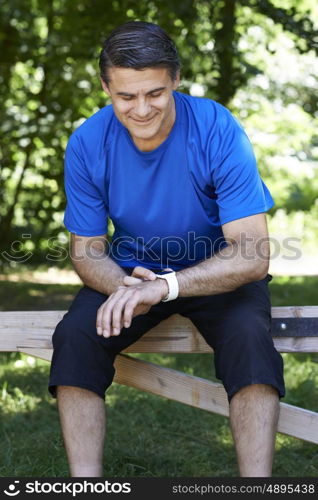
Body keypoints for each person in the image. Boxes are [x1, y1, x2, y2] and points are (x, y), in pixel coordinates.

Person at [49, 20, 285, 478]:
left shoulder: (217, 128)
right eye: (125, 96)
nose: (141, 109)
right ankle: (84, 484)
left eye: (154, 93)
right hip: (132, 275)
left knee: (250, 339)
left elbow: (252, 253)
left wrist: (166, 287)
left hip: (217, 272)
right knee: (75, 336)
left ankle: (257, 486)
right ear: (105, 86)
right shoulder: (86, 143)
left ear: (176, 80)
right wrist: (126, 288)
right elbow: (86, 251)